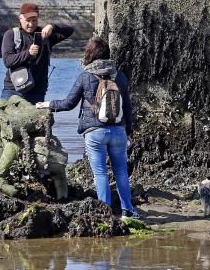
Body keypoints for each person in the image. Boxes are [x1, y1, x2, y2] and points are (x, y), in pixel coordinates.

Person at [38, 36, 140, 219]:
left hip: (94, 132)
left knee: (100, 173)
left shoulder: (86, 76)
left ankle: (105, 212)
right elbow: (127, 108)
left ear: (90, 54)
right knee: (121, 172)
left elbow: (68, 103)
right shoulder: (121, 76)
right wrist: (128, 131)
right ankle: (128, 210)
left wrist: (48, 104)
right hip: (118, 131)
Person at [0, 2, 73, 176]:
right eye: (27, 20)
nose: (31, 24)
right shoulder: (11, 35)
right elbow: (7, 60)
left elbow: (70, 30)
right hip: (13, 90)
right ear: (20, 19)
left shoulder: (45, 35)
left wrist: (52, 26)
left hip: (37, 93)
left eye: (34, 20)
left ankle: (31, 168)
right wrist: (28, 53)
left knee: (36, 129)